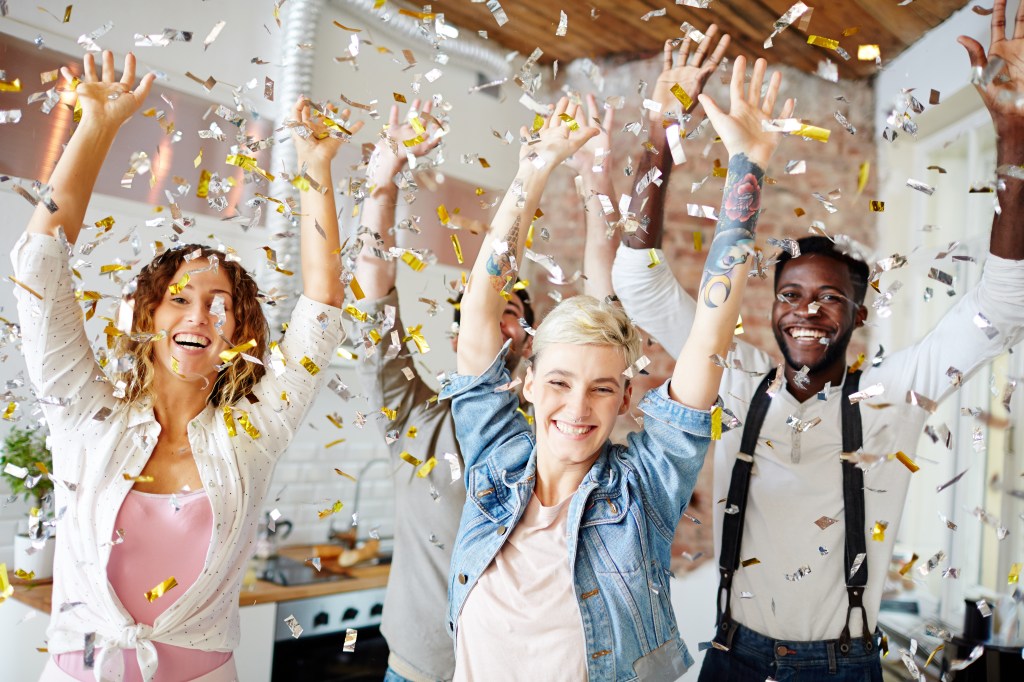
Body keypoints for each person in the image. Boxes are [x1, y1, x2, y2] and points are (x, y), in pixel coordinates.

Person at [611, 4, 1024, 680]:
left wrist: (1013, 131)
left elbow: (1004, 301)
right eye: (792, 295)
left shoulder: (894, 394)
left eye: (831, 298)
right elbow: (639, 280)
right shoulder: (733, 377)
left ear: (859, 316)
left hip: (842, 665)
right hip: (730, 655)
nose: (808, 313)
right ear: (772, 308)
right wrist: (660, 132)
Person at [440, 48, 793, 680]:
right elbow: (479, 308)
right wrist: (537, 167)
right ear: (524, 384)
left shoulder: (646, 487)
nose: (578, 409)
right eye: (559, 383)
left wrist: (749, 165)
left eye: (602, 388)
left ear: (626, 398)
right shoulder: (495, 457)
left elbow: (711, 332)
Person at [16, 51, 361, 681]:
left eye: (220, 305)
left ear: (239, 331)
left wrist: (315, 167)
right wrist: (94, 126)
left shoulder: (253, 434)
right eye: (179, 299)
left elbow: (322, 306)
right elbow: (39, 268)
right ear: (148, 315)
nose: (199, 316)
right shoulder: (84, 415)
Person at [350, 101, 534, 682]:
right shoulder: (414, 416)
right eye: (488, 313)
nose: (500, 327)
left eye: (513, 314)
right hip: (419, 671)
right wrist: (384, 182)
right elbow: (374, 301)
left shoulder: (556, 430)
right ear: (459, 335)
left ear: (529, 337)